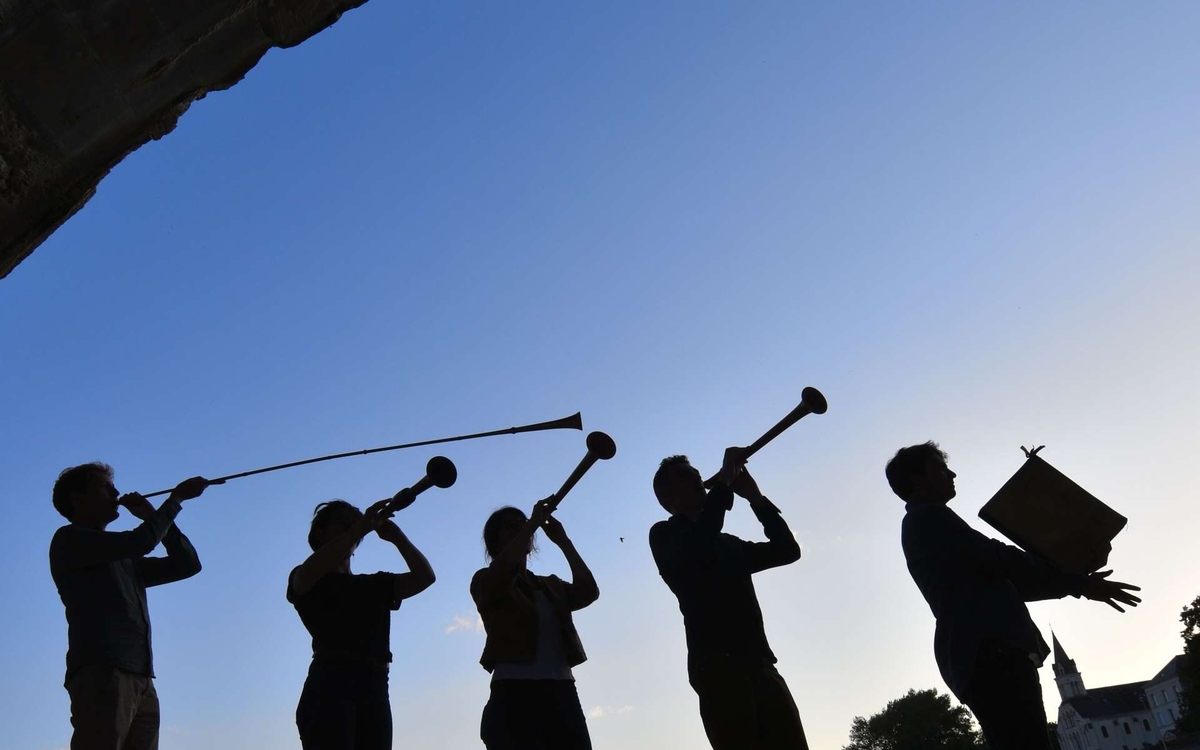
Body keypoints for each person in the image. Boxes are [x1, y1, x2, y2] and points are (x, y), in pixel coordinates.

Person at [886, 441, 1142, 750]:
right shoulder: (928, 519)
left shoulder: (928, 522)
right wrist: (1079, 582)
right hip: (989, 651)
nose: (952, 473)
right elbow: (1003, 560)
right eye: (940, 468)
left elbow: (1008, 578)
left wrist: (1078, 580)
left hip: (983, 653)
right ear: (917, 479)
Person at [49, 462, 219, 750]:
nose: (116, 492)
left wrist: (155, 515)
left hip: (141, 675)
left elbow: (188, 564)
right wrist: (174, 500)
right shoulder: (69, 539)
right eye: (105, 487)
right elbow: (141, 541)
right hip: (102, 668)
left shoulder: (125, 559)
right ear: (78, 498)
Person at [650, 447, 809, 750]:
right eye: (685, 476)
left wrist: (755, 498)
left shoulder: (729, 544)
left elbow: (788, 550)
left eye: (695, 472)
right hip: (716, 666)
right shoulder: (664, 535)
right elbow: (700, 545)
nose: (696, 475)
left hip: (760, 662)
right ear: (666, 498)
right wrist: (723, 483)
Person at [287, 491, 436, 750]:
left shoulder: (374, 584)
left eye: (353, 522)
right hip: (330, 683)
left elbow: (425, 577)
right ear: (320, 532)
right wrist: (361, 527)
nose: (351, 526)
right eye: (343, 522)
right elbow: (302, 581)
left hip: (376, 687)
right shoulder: (305, 575)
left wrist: (396, 536)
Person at [471, 500, 600, 750]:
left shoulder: (549, 585)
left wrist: (563, 541)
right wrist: (530, 525)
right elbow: (501, 575)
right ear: (494, 541)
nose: (520, 529)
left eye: (522, 524)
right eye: (510, 526)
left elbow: (588, 592)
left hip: (562, 691)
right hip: (513, 694)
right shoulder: (484, 580)